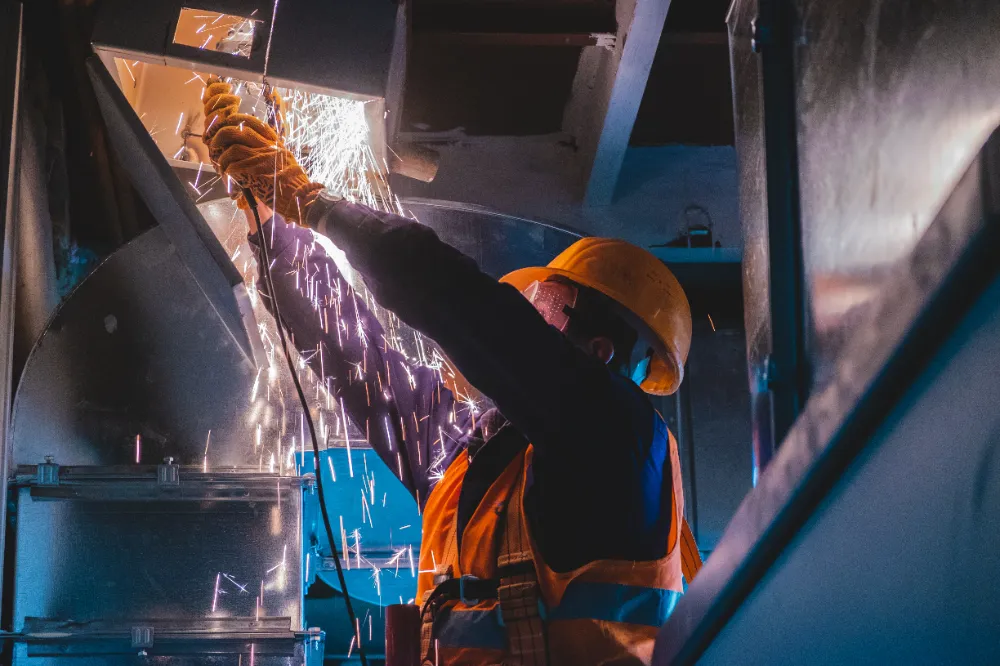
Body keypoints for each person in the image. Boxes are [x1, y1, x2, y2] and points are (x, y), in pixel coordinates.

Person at [202, 79, 700, 666]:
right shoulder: (472, 456)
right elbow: (351, 350)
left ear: (598, 351)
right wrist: (272, 219)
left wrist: (317, 204)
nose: (527, 313)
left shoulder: (623, 444)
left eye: (543, 303)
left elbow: (469, 309)